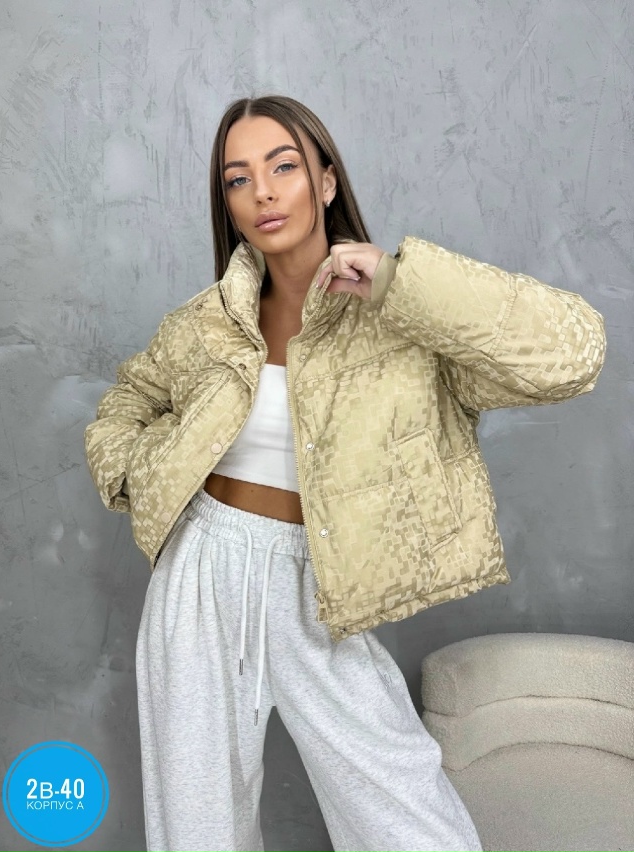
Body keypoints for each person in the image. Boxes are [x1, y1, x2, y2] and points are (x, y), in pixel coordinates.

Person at [84, 94, 606, 852]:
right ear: (227, 204)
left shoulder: (404, 316)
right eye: (238, 179)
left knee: (408, 821)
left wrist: (398, 283)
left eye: (284, 167)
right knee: (197, 829)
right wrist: (145, 473)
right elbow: (125, 405)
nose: (262, 192)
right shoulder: (208, 322)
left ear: (326, 181)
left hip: (324, 584)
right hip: (199, 575)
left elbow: (574, 355)